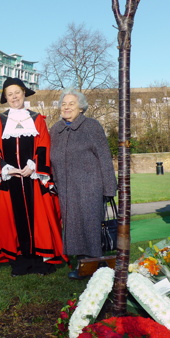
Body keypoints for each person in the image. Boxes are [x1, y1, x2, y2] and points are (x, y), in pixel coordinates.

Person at [0, 77, 67, 277]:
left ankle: (41, 262)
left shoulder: (37, 119)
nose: (14, 97)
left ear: (24, 94)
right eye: (9, 94)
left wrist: (33, 166)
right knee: (13, 220)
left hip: (34, 179)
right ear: (5, 97)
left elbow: (44, 144)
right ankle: (20, 263)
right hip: (10, 181)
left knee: (39, 220)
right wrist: (6, 168)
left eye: (17, 93)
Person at [50, 88, 117, 280]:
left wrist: (109, 187)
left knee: (90, 226)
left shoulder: (91, 126)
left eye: (71, 103)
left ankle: (96, 265)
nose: (66, 107)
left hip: (90, 186)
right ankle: (83, 264)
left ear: (81, 108)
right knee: (73, 227)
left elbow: (104, 156)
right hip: (66, 188)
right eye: (64, 104)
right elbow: (51, 159)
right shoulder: (56, 129)